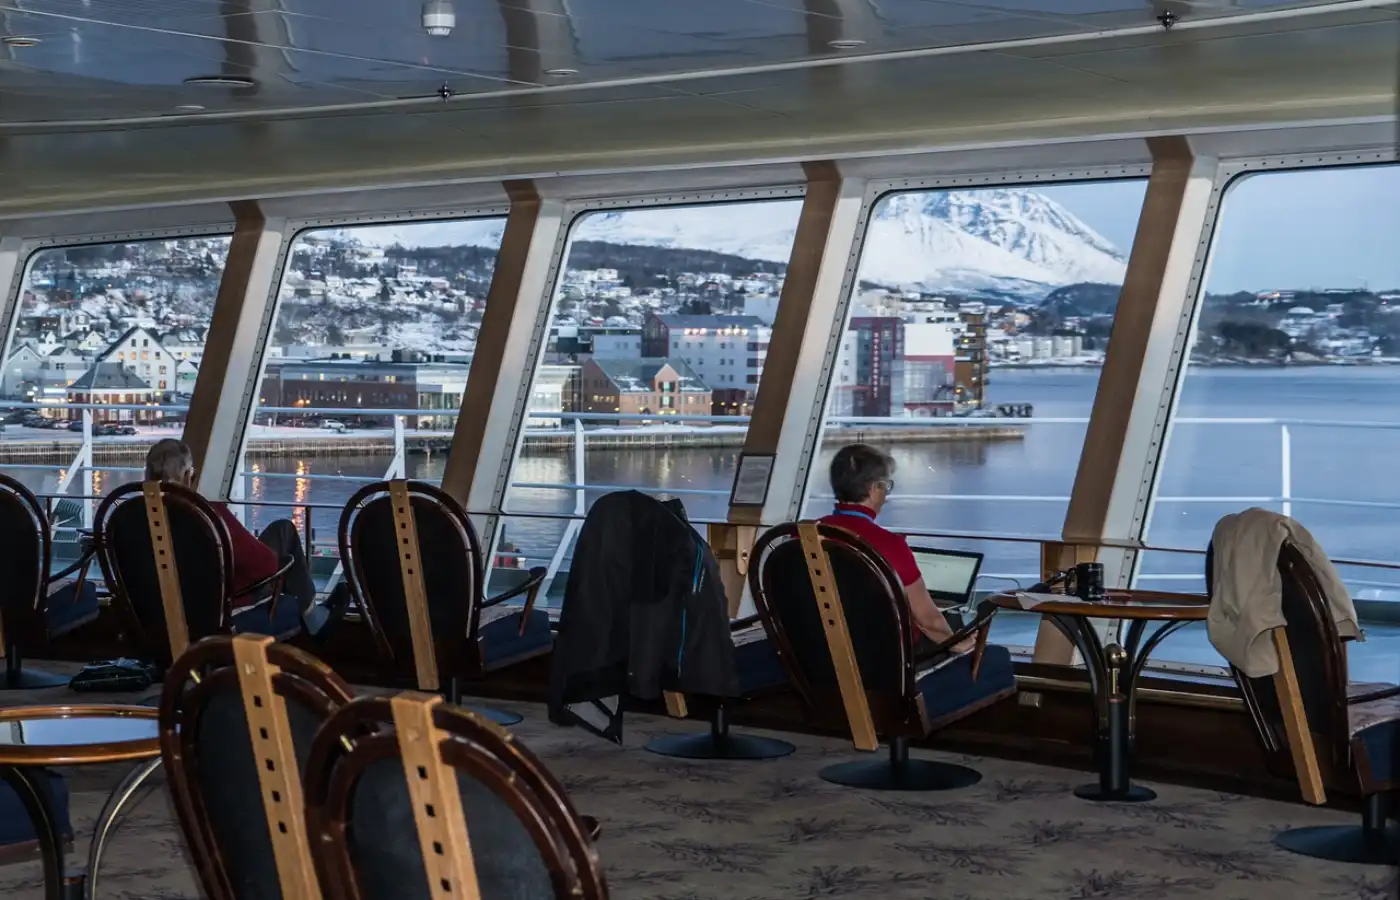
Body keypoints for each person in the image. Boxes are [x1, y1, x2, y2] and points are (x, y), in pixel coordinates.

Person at [143, 439, 348, 638]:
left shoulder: (134, 520)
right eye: (194, 476)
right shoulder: (208, 515)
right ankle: (313, 619)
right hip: (224, 616)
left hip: (156, 617)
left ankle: (312, 617)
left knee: (280, 530)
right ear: (188, 476)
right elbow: (265, 567)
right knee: (284, 533)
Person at [819, 443, 974, 660]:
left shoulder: (799, 537)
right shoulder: (888, 545)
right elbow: (927, 620)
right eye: (886, 486)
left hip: (817, 656)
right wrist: (962, 644)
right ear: (874, 489)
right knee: (994, 659)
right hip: (883, 664)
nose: (886, 495)